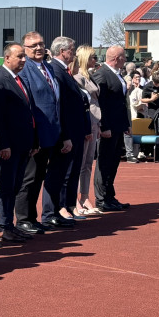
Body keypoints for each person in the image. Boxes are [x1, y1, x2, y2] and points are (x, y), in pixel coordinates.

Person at [15, 31, 70, 234]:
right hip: (36, 134)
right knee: (29, 178)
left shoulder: (48, 67)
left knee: (39, 177)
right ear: (25, 49)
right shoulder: (25, 69)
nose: (38, 48)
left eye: (41, 44)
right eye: (33, 46)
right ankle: (23, 219)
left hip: (52, 131)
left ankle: (33, 217)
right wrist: (33, 135)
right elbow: (28, 104)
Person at [0, 43, 37, 243]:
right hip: (9, 145)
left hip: (23, 143)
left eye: (24, 56)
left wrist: (33, 140)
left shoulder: (19, 79)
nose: (24, 60)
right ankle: (2, 226)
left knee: (16, 185)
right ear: (7, 58)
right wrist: (3, 144)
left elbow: (28, 112)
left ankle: (9, 225)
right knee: (6, 185)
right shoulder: (0, 80)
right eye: (20, 56)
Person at [46, 36, 90, 225]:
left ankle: (69, 205)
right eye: (72, 49)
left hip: (76, 130)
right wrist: (65, 134)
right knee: (63, 172)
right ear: (62, 51)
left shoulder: (65, 71)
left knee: (72, 171)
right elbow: (61, 105)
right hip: (67, 132)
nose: (74, 53)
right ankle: (59, 208)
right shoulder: (56, 70)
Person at [92, 46, 132, 212]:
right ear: (117, 58)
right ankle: (101, 199)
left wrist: (126, 124)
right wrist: (104, 126)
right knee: (104, 162)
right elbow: (100, 103)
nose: (125, 59)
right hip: (108, 127)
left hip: (118, 125)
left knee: (114, 162)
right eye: (124, 57)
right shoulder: (102, 74)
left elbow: (121, 102)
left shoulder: (117, 74)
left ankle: (110, 196)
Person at [73, 46, 101, 215]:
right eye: (93, 57)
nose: (95, 60)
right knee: (80, 162)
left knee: (88, 162)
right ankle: (75, 200)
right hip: (85, 122)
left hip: (95, 121)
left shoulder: (90, 76)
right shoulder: (77, 77)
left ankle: (84, 196)